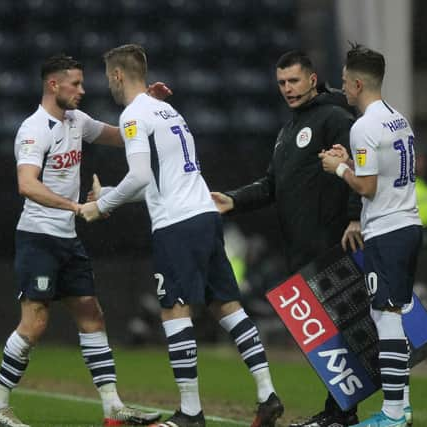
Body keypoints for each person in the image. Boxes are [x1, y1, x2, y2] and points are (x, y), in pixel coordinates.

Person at [79, 44, 284, 427]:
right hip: (204, 216)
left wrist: (100, 207)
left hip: (176, 224)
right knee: (227, 307)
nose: (108, 83)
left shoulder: (134, 115)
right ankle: (267, 393)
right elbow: (157, 180)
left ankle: (191, 412)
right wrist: (109, 194)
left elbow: (140, 176)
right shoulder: (168, 110)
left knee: (174, 311)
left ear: (118, 75)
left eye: (108, 76)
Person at [0, 54, 165, 427]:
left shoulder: (77, 121)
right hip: (38, 238)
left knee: (91, 314)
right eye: (76, 84)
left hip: (67, 238)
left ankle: (113, 408)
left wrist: (148, 105)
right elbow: (26, 184)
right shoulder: (35, 129)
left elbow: (121, 134)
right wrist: (75, 207)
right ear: (54, 85)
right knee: (34, 324)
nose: (83, 90)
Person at [211, 51, 362, 427]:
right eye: (281, 83)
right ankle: (336, 411)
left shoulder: (335, 118)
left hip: (332, 244)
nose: (287, 89)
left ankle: (344, 413)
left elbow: (358, 164)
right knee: (323, 336)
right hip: (300, 246)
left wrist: (355, 217)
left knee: (342, 329)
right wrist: (233, 200)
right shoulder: (289, 129)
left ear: (312, 79)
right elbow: (272, 186)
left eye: (293, 81)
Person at [319, 43, 422, 427]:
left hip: (387, 229)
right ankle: (403, 405)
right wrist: (351, 162)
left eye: (345, 82)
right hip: (410, 225)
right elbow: (384, 170)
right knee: (392, 312)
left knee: (385, 316)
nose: (343, 87)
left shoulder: (363, 126)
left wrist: (337, 168)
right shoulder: (398, 119)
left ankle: (393, 415)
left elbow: (366, 188)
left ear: (359, 83)